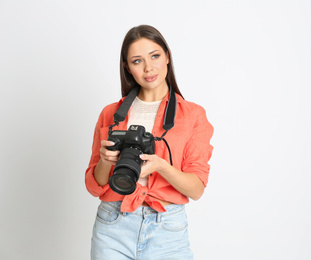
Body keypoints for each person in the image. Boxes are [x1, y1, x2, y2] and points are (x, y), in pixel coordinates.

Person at [85, 25, 214, 260]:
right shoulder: (110, 114)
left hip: (167, 230)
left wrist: (161, 166)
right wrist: (105, 161)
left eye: (155, 56)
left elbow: (196, 190)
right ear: (127, 67)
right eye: (137, 61)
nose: (148, 68)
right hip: (112, 225)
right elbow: (94, 186)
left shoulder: (193, 115)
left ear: (167, 56)